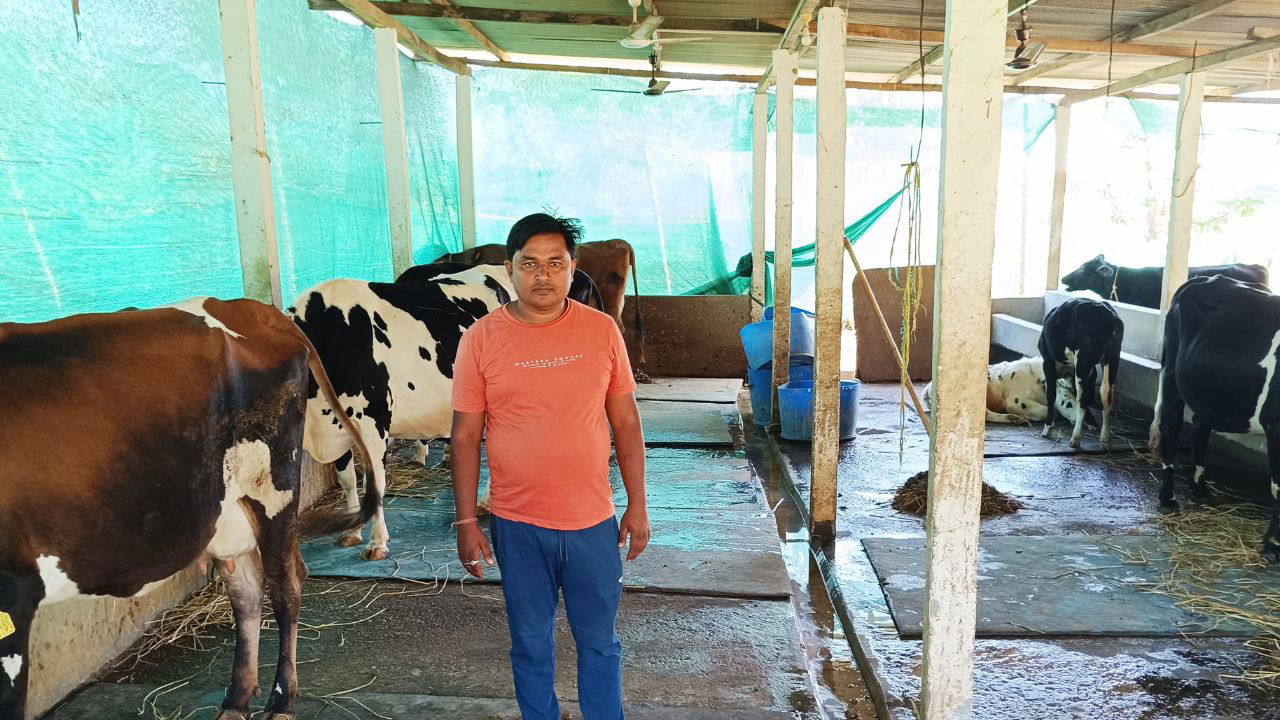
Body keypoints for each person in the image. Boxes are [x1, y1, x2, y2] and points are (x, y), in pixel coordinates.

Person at [451, 212, 650, 720]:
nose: (542, 274)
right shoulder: (480, 338)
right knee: (530, 643)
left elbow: (626, 423)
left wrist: (638, 506)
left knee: (600, 641)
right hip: (517, 524)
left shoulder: (602, 331)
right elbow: (466, 435)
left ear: (573, 267)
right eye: (529, 264)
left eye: (555, 263)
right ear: (509, 268)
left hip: (591, 522)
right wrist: (468, 521)